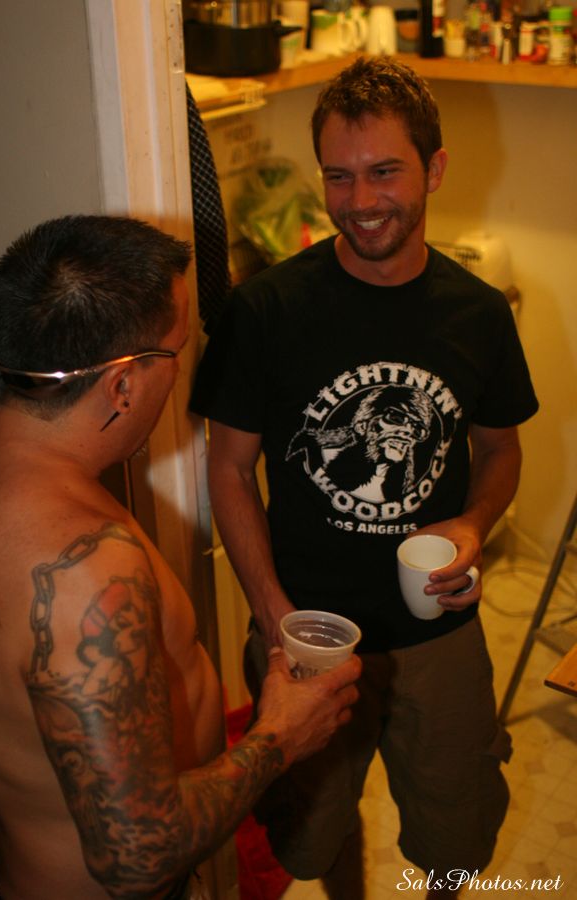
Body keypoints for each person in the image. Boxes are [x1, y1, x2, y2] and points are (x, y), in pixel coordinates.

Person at [190, 57, 539, 899]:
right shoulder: (265, 311)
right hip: (308, 629)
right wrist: (273, 614)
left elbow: (500, 451)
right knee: (311, 835)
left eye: (385, 171)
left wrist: (472, 526)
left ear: (434, 169)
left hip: (436, 632)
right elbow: (229, 469)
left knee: (457, 833)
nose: (360, 200)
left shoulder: (479, 313)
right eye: (338, 176)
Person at [0, 214, 361, 900]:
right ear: (122, 384)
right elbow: (136, 855)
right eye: (177, 352)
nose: (181, 372)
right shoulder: (83, 567)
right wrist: (280, 735)